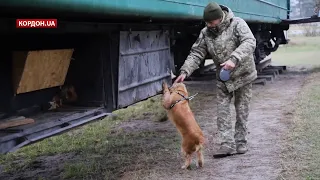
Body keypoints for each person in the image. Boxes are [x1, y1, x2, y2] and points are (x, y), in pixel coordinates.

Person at [174, 2, 257, 158]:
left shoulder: (237, 24)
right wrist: (185, 71)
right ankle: (227, 144)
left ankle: (241, 142)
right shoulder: (206, 33)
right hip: (223, 79)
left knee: (241, 110)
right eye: (207, 22)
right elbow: (197, 53)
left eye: (212, 22)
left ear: (220, 18)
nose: (210, 25)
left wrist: (234, 59)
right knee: (222, 111)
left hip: (243, 75)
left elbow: (250, 42)